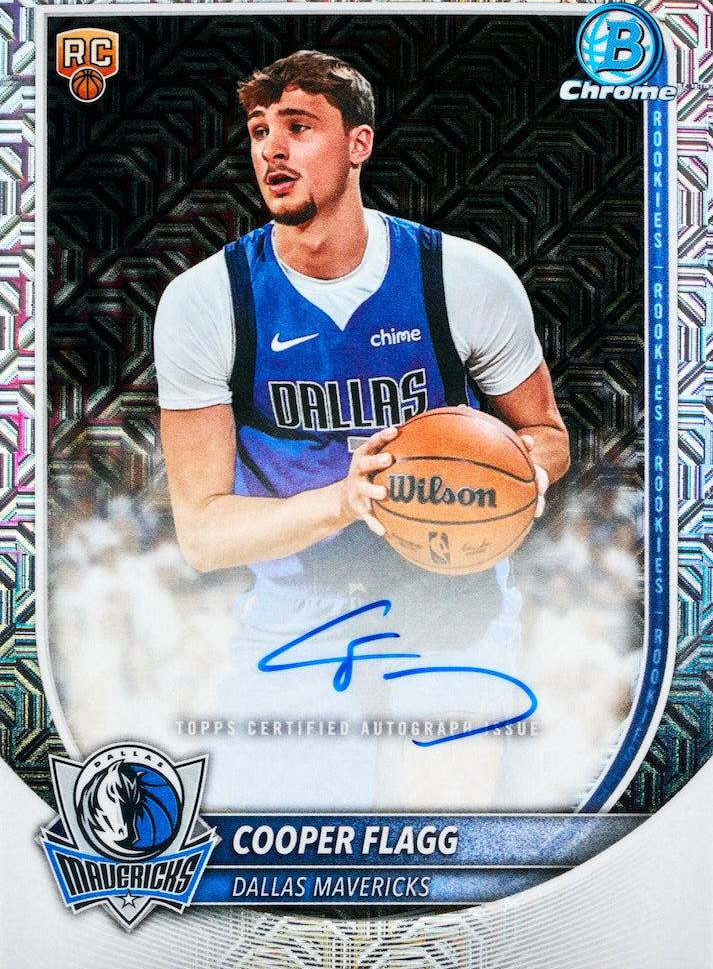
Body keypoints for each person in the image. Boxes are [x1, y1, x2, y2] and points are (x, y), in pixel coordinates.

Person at [154, 50, 570, 809]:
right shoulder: (205, 301)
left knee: (437, 841)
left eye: (298, 127)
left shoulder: (463, 277)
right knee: (288, 851)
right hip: (300, 603)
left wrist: (512, 482)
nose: (272, 150)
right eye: (259, 131)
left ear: (358, 143)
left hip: (452, 592)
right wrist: (348, 500)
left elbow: (544, 433)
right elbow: (204, 534)